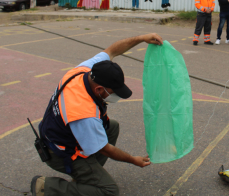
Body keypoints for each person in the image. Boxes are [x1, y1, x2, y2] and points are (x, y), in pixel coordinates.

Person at [31, 33, 163, 196]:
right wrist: (133, 160)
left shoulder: (84, 71)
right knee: (109, 191)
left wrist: (141, 38)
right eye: (113, 92)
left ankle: (88, 176)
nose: (116, 96)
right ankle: (47, 187)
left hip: (57, 133)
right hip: (58, 151)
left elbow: (112, 50)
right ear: (99, 89)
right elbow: (106, 149)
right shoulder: (84, 113)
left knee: (111, 127)